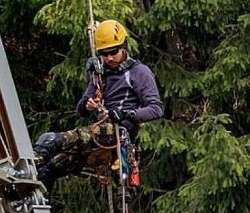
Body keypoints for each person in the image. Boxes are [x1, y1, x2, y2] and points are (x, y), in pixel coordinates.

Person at [34, 19, 163, 193]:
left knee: (50, 140)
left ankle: (29, 163)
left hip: (118, 134)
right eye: (104, 53)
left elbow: (155, 108)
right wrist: (88, 105)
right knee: (53, 167)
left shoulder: (138, 72)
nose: (109, 58)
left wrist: (126, 114)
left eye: (114, 52)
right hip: (97, 137)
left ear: (124, 47)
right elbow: (81, 108)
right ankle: (32, 193)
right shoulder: (101, 75)